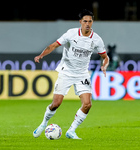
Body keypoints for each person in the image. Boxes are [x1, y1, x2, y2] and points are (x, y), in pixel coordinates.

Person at [33, 9, 109, 139]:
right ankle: (43, 123)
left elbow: (105, 57)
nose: (87, 24)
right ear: (80, 22)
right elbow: (53, 46)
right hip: (66, 72)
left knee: (87, 104)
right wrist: (41, 55)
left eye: (90, 21)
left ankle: (71, 131)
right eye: (85, 21)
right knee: (56, 103)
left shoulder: (96, 39)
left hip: (82, 74)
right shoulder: (71, 34)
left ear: (92, 22)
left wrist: (104, 65)